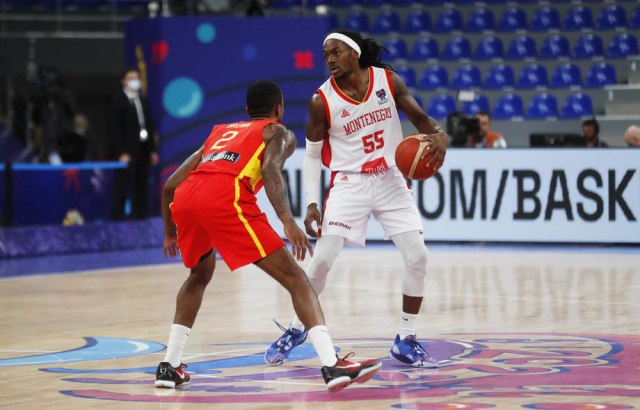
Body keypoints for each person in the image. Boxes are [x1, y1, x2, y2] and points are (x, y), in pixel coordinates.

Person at [155, 80, 381, 393]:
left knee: (199, 275)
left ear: (248, 110)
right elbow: (271, 169)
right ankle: (332, 365)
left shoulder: (219, 133)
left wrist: (170, 233)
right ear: (279, 109)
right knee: (297, 279)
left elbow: (170, 186)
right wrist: (287, 222)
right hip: (225, 198)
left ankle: (169, 366)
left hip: (186, 199)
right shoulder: (278, 132)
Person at [264, 30, 448, 368]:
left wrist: (439, 134)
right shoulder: (321, 100)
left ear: (355, 52)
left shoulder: (387, 81)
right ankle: (296, 329)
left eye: (335, 52)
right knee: (322, 261)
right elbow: (312, 154)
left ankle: (406, 339)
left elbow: (421, 119)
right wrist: (311, 203)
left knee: (418, 257)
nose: (330, 60)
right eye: (326, 55)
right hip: (349, 183)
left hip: (390, 178)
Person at [110, 67, 159, 220]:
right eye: (130, 78)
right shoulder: (118, 101)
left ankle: (141, 216)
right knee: (123, 185)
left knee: (142, 184)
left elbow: (149, 126)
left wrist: (152, 150)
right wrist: (121, 152)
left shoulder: (143, 100)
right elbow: (115, 129)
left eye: (136, 78)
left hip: (143, 149)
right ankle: (119, 218)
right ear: (124, 81)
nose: (134, 81)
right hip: (127, 151)